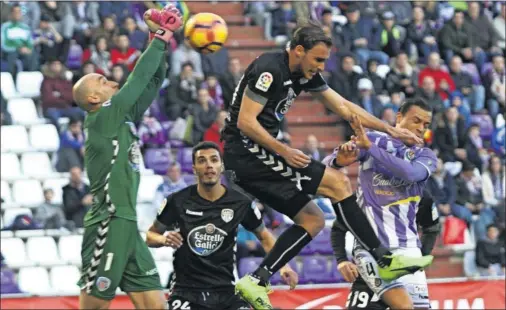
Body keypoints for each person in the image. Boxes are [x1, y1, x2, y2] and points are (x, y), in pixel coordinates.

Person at [222, 22, 433, 309]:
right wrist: (283, 150)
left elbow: (345, 107)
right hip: (245, 154)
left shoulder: (303, 73)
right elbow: (244, 122)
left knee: (313, 220)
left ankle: (256, 280)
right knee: (338, 183)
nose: (320, 66)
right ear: (299, 50)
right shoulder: (270, 69)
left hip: (259, 154)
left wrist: (391, 130)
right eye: (317, 59)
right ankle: (384, 259)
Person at [71, 5, 182, 309]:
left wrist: (155, 40)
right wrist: (162, 35)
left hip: (128, 221)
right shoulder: (103, 116)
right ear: (94, 98)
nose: (112, 83)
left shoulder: (122, 116)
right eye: (103, 83)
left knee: (155, 305)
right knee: (94, 304)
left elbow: (153, 80)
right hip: (108, 219)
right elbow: (137, 78)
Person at [147, 141, 298, 310]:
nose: (209, 165)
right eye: (202, 161)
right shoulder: (177, 200)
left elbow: (264, 236)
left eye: (213, 160)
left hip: (226, 292)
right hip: (186, 292)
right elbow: (150, 236)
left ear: (221, 166)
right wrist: (163, 238)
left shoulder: (240, 202)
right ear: (194, 168)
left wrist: (284, 265)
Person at [323, 99, 441, 309]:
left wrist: (370, 149)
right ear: (398, 117)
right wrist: (339, 160)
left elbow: (411, 173)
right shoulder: (374, 139)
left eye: (426, 125)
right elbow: (326, 167)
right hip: (371, 250)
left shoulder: (426, 155)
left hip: (408, 251)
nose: (421, 128)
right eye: (416, 121)